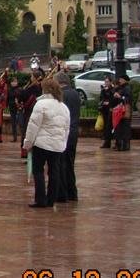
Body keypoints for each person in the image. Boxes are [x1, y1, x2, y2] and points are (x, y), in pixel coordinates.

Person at [23, 77, 70, 208]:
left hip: (41, 143)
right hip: (57, 145)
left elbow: (33, 126)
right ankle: (51, 199)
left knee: (38, 171)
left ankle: (40, 199)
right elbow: (66, 128)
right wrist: (63, 143)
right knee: (54, 171)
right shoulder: (63, 107)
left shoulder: (41, 104)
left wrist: (28, 143)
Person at [55, 73, 81, 202]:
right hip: (74, 132)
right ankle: (72, 192)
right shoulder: (75, 94)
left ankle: (63, 194)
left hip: (63, 132)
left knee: (61, 164)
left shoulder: (61, 95)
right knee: (70, 163)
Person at [112, 75, 133, 151]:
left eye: (121, 79)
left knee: (123, 128)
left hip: (124, 111)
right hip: (120, 110)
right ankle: (122, 144)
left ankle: (123, 145)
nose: (120, 80)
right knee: (121, 128)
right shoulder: (121, 88)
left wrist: (119, 97)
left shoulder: (127, 88)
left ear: (125, 80)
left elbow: (127, 99)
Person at [98, 76, 115, 149]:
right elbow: (101, 98)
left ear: (111, 82)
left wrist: (108, 102)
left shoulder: (113, 89)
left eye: (107, 82)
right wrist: (104, 91)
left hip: (110, 109)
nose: (106, 83)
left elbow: (112, 98)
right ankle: (106, 141)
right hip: (105, 109)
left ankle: (109, 140)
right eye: (105, 82)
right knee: (106, 125)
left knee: (109, 126)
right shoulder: (104, 89)